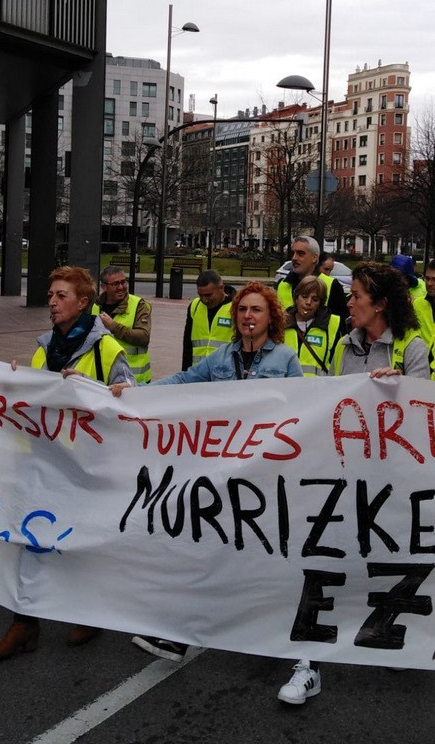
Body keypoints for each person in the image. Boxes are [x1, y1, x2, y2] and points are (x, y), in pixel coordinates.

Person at [115, 282, 303, 665]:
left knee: (259, 554)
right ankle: (180, 634)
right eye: (243, 310)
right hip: (220, 473)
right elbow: (183, 382)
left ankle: (272, 630)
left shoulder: (284, 359)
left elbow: (303, 409)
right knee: (203, 547)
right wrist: (136, 392)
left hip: (264, 474)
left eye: (257, 310)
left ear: (272, 318)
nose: (248, 316)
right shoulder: (221, 358)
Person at [274, 262, 432, 707]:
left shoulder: (411, 347)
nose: (349, 302)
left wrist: (400, 387)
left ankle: (396, 634)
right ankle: (309, 663)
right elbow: (330, 400)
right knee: (321, 557)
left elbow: (427, 411)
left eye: (357, 295)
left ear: (380, 303)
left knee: (391, 560)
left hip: (395, 479)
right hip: (344, 473)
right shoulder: (345, 344)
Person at [0, 266, 133, 661]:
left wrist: (93, 392)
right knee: (29, 538)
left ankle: (88, 611)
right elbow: (28, 403)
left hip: (84, 466)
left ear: (83, 303)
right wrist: (16, 383)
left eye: (60, 295)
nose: (51, 302)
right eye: (51, 295)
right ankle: (24, 623)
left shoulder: (105, 349)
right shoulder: (44, 345)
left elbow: (128, 403)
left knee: (80, 542)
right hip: (39, 460)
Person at [93, 264, 152, 384]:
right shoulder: (95, 306)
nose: (121, 287)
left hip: (133, 379)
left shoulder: (139, 305)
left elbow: (144, 337)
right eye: (115, 284)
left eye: (123, 282)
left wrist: (114, 327)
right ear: (104, 287)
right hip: (102, 376)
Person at [277, 235, 347, 319]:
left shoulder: (332, 285)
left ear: (314, 258)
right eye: (293, 253)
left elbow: (341, 325)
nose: (294, 258)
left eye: (300, 253)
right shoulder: (283, 285)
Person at [284, 276, 343, 375]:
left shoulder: (333, 324)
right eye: (304, 296)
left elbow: (338, 365)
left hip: (319, 388)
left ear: (320, 303)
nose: (308, 302)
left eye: (315, 299)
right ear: (296, 298)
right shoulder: (281, 322)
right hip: (284, 388)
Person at [182, 270, 234, 370]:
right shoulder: (195, 306)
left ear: (221, 288)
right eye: (200, 295)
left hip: (224, 374)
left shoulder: (235, 307)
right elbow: (187, 346)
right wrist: (185, 372)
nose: (204, 300)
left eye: (208, 295)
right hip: (197, 373)